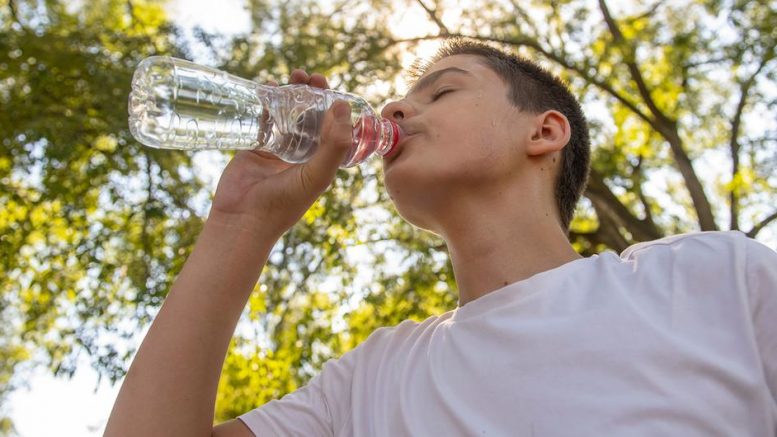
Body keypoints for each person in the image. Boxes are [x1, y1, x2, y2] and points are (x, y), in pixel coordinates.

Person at [104, 39, 777, 436]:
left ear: (541, 133)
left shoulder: (708, 277)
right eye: (404, 98)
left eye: (440, 92)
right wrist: (240, 222)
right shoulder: (366, 383)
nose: (396, 108)